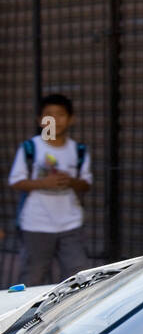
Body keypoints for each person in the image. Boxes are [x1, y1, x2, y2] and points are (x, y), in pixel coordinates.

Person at [8, 93, 93, 285]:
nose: (54, 120)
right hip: (35, 224)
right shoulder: (31, 147)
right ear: (40, 120)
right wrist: (43, 183)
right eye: (49, 115)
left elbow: (86, 184)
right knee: (33, 277)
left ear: (71, 119)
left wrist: (70, 181)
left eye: (60, 114)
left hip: (71, 223)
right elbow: (16, 181)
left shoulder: (78, 150)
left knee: (78, 276)